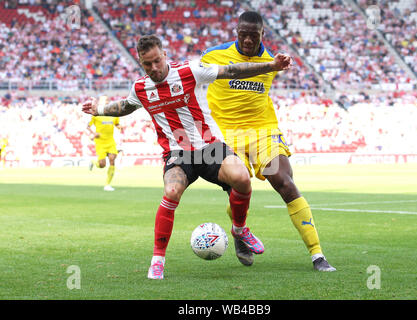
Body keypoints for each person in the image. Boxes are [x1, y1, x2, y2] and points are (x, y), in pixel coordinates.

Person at [82, 35, 292, 279]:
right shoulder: (140, 87)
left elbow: (231, 70)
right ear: (140, 62)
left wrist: (271, 66)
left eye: (157, 61)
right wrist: (98, 109)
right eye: (147, 64)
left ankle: (239, 229)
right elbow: (127, 106)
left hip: (210, 147)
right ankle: (157, 260)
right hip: (178, 152)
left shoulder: (189, 71)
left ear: (164, 55)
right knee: (171, 192)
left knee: (242, 178)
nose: (153, 68)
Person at [201, 11, 336, 271]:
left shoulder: (273, 60)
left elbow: (277, 64)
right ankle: (239, 232)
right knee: (239, 190)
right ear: (236, 33)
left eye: (254, 35)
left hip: (263, 132)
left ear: (263, 34)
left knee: (284, 182)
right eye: (243, 35)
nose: (248, 40)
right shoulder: (212, 56)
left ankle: (317, 255)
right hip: (226, 136)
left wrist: (279, 62)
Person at [86, 97, 122, 192]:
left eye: (107, 101)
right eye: (104, 101)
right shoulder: (96, 115)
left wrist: (120, 127)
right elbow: (88, 126)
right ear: (100, 103)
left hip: (110, 141)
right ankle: (93, 162)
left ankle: (107, 184)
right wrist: (94, 134)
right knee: (102, 165)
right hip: (100, 142)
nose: (106, 103)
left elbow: (117, 124)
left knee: (112, 159)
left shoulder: (113, 114)